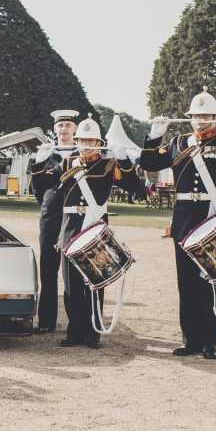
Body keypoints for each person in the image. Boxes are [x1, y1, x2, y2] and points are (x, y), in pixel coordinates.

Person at [139, 87, 216, 359]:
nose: (199, 119)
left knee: (214, 280)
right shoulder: (178, 142)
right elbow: (148, 163)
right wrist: (154, 137)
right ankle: (190, 340)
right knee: (187, 283)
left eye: (205, 114)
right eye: (195, 115)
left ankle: (210, 342)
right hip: (184, 219)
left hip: (214, 215)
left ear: (215, 116)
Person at [54, 116, 137, 349]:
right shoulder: (66, 163)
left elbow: (134, 187)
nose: (86, 144)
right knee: (71, 287)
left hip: (95, 230)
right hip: (70, 229)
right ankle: (75, 332)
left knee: (94, 284)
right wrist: (38, 166)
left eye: (91, 140)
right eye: (82, 140)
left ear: (99, 142)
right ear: (77, 141)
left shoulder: (108, 165)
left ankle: (94, 333)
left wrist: (125, 161)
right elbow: (45, 191)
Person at [29, 109, 79, 334]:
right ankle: (47, 322)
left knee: (77, 274)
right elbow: (36, 189)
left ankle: (78, 324)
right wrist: (38, 163)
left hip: (77, 217)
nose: (64, 129)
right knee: (48, 272)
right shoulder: (44, 154)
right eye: (60, 125)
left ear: (75, 128)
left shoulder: (85, 152)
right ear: (54, 129)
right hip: (50, 218)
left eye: (68, 125)